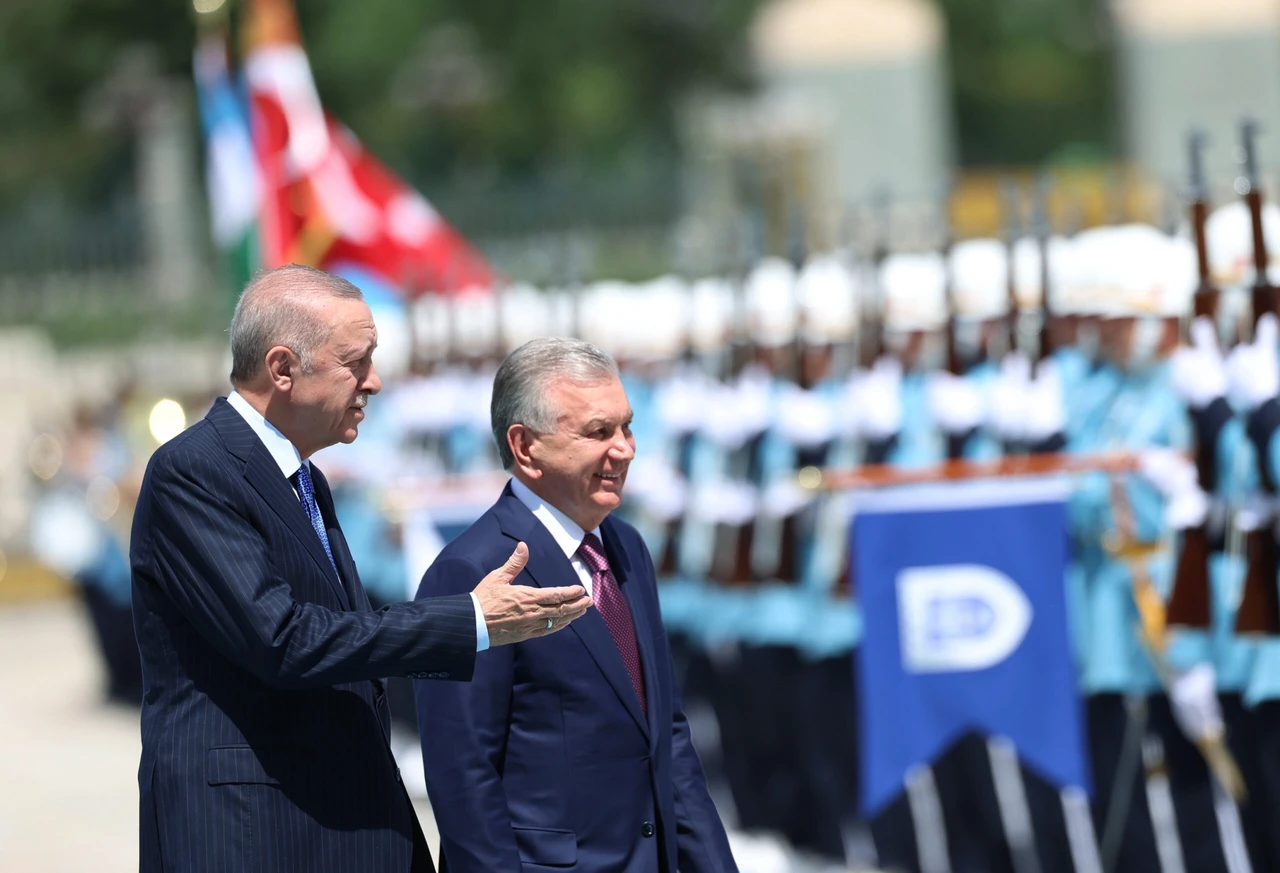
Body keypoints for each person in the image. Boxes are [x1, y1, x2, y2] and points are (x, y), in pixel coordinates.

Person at [129, 264, 592, 873]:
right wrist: (469, 621)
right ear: (283, 369)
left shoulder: (302, 478)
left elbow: (342, 630)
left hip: (332, 816)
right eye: (355, 361)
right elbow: (284, 640)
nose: (373, 382)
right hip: (255, 831)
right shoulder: (196, 471)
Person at [414, 336, 739, 873]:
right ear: (525, 447)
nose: (625, 449)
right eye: (598, 432)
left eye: (626, 427)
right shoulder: (475, 570)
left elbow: (666, 736)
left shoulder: (626, 547)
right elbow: (462, 775)